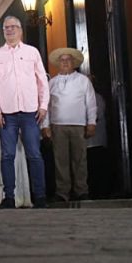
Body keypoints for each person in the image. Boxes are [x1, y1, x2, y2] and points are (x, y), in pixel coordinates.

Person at [0, 15, 49, 208]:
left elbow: (42, 81)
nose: (10, 30)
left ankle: (39, 196)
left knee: (34, 154)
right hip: (7, 114)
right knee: (7, 156)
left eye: (13, 27)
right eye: (6, 28)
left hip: (31, 112)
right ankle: (9, 197)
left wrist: (43, 105)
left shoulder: (32, 52)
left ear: (20, 30)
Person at [41, 48, 96, 202]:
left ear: (73, 63)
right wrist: (45, 126)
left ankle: (81, 190)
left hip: (78, 124)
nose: (65, 62)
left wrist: (91, 122)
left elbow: (91, 103)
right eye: (62, 60)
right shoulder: (52, 83)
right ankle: (62, 192)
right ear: (59, 63)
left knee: (80, 159)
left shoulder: (83, 80)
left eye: (68, 60)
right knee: (60, 160)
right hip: (58, 125)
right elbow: (46, 105)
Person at [86, 74, 110, 198]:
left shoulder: (97, 98)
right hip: (85, 143)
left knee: (98, 167)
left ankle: (100, 193)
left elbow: (95, 116)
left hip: (97, 141)